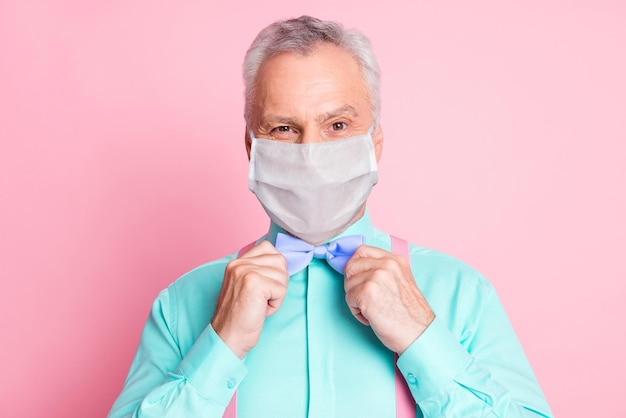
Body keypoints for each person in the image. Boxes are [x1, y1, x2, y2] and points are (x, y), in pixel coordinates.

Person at [108, 15, 553, 418]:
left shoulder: (461, 294)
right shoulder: (182, 305)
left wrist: (424, 338)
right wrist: (220, 345)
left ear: (374, 143)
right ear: (252, 149)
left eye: (337, 126)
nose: (312, 156)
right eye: (283, 128)